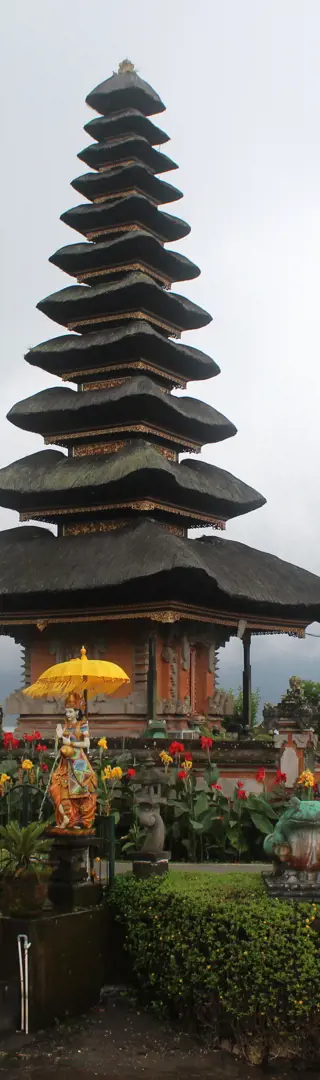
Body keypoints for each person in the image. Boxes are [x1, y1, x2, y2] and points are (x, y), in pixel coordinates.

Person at [50, 692, 97, 830]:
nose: (68, 714)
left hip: (78, 762)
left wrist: (70, 743)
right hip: (65, 762)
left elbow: (87, 744)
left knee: (79, 792)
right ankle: (66, 817)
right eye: (66, 712)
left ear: (77, 712)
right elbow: (60, 745)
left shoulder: (82, 725)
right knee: (56, 787)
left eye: (70, 711)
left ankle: (77, 821)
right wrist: (58, 736)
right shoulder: (65, 726)